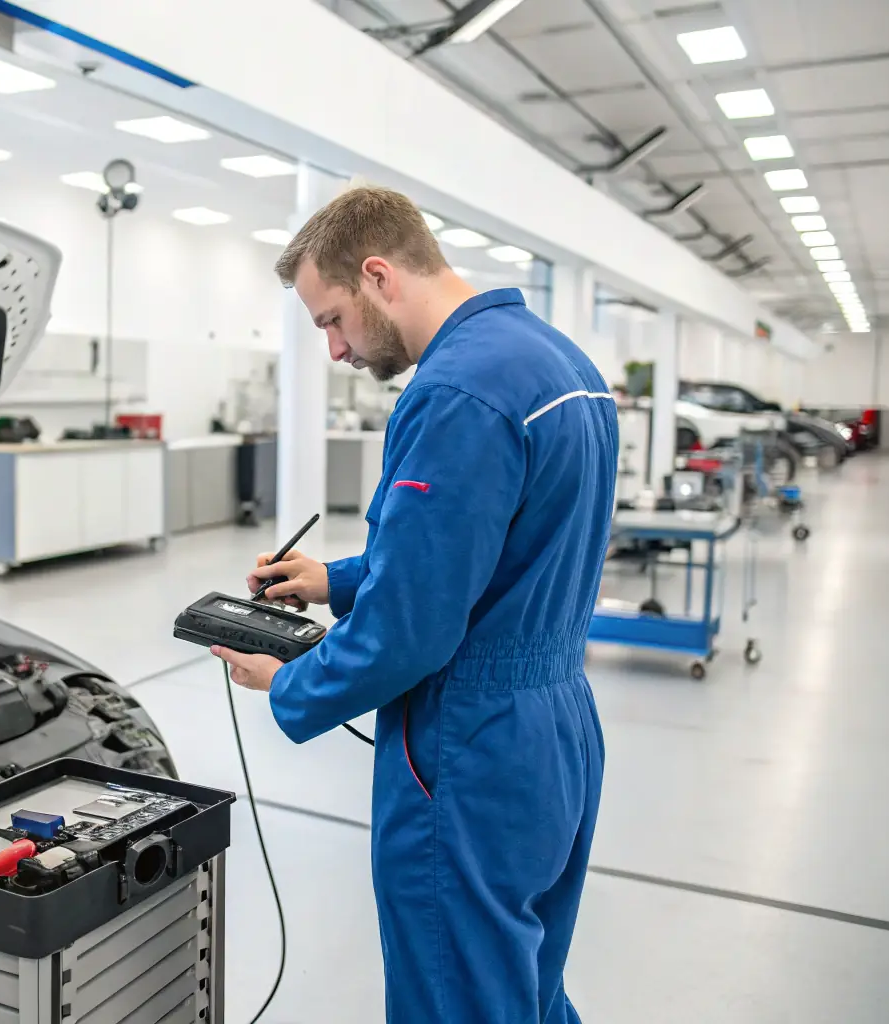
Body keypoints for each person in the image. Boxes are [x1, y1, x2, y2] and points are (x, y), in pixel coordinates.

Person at [211, 186, 618, 1023]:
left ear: (377, 276)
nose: (332, 349)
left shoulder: (453, 392)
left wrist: (286, 679)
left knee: (455, 997)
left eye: (331, 319)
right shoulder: (558, 364)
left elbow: (415, 630)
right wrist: (336, 580)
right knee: (524, 987)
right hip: (556, 730)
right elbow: (494, 559)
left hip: (469, 746)